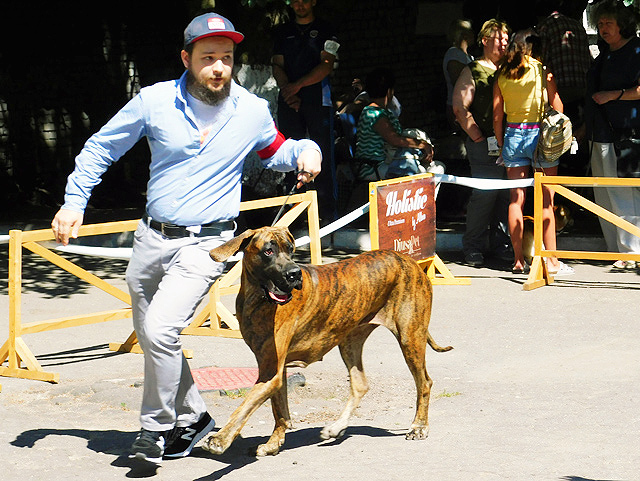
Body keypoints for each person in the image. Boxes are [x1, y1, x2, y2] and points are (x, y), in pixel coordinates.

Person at [50, 12, 321, 464]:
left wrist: (305, 150)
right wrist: (74, 201)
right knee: (155, 336)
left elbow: (278, 150)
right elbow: (101, 147)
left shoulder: (251, 110)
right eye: (208, 57)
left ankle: (154, 430)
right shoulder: (154, 101)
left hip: (208, 244)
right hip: (151, 238)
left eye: (227, 59)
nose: (218, 67)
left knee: (159, 328)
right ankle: (194, 416)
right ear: (186, 58)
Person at [493, 29, 574, 276]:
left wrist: (500, 144)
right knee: (546, 202)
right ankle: (551, 262)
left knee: (516, 200)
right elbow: (556, 104)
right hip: (541, 136)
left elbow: (498, 115)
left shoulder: (502, 74)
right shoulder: (541, 71)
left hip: (513, 135)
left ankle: (518, 260)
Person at [271, 0, 340, 223]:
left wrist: (297, 87)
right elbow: (277, 65)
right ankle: (295, 216)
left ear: (313, 1)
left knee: (323, 154)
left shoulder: (327, 29)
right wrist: (288, 92)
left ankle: (328, 215)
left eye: (304, 0)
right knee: (292, 154)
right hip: (289, 101)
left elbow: (326, 65)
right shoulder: (282, 31)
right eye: (295, 1)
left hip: (318, 100)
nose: (299, 4)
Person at [585, 0, 640, 270]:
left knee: (623, 194)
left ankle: (632, 252)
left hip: (625, 134)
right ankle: (614, 249)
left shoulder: (636, 51)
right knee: (604, 194)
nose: (603, 28)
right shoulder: (604, 53)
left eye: (608, 23)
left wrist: (614, 95)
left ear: (622, 25)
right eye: (600, 23)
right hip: (600, 134)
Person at [453, 18, 512, 267]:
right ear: (486, 41)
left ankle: (503, 246)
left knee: (508, 197)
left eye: (507, 40)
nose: (505, 43)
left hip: (512, 144)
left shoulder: (511, 68)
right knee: (485, 196)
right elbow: (459, 106)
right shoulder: (473, 70)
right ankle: (473, 247)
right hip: (484, 143)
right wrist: (477, 136)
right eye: (500, 39)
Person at [537, 0, 591, 175]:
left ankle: (561, 185)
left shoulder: (545, 26)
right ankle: (577, 181)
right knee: (577, 138)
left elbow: (541, 61)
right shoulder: (577, 26)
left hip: (560, 90)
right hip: (582, 88)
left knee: (558, 138)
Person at [354, 68, 433, 182]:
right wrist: (423, 145)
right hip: (374, 167)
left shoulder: (385, 112)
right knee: (422, 176)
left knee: (437, 168)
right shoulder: (373, 114)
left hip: (392, 161)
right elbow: (395, 140)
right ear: (389, 91)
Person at [443, 19, 475, 129]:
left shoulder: (467, 56)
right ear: (463, 34)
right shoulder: (454, 54)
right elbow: (459, 84)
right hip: (457, 107)